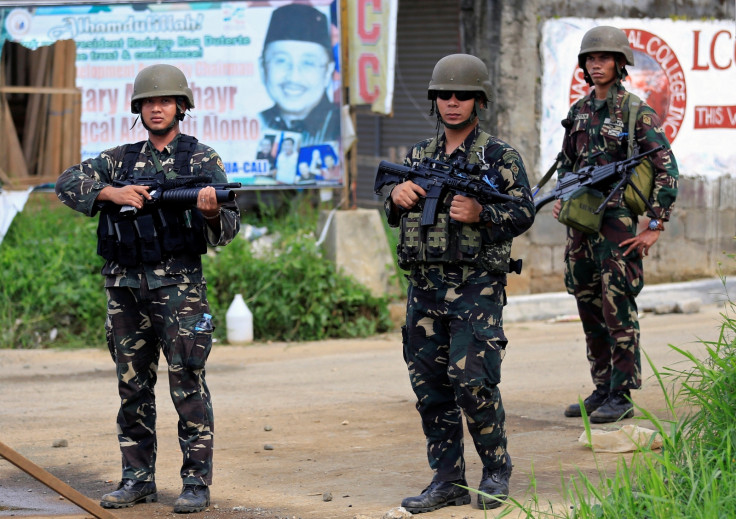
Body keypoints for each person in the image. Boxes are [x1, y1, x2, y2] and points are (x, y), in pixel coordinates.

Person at [55, 64, 240, 513]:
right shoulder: (118, 159)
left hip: (179, 289)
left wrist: (212, 213)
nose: (157, 108)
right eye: (148, 102)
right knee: (132, 386)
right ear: (138, 108)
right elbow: (66, 183)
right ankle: (137, 479)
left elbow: (228, 228)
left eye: (165, 101)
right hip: (124, 288)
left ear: (181, 107)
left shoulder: (201, 160)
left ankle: (196, 483)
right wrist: (111, 194)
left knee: (188, 383)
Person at [381, 54, 535, 513]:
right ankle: (447, 479)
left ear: (478, 101)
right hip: (424, 289)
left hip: (475, 290)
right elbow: (394, 209)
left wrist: (481, 213)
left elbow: (524, 211)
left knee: (474, 383)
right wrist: (396, 196)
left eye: (462, 95)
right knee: (430, 389)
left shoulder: (499, 156)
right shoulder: (419, 156)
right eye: (444, 95)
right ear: (435, 101)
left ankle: (495, 470)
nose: (452, 102)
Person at [553, 26, 678, 423]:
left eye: (604, 58)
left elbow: (667, 169)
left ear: (620, 63)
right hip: (582, 225)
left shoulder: (636, 112)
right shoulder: (579, 112)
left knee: (617, 307)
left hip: (618, 225)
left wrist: (655, 225)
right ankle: (602, 387)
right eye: (590, 58)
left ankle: (622, 394)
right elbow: (566, 165)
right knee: (588, 306)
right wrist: (562, 196)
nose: (596, 64)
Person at [259, 3, 340, 146]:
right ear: (262, 67)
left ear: (328, 72)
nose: (294, 77)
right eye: (281, 61)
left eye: (308, 63)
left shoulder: (340, 127)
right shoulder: (257, 121)